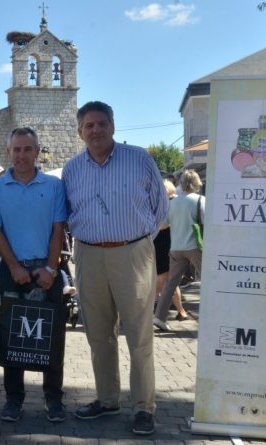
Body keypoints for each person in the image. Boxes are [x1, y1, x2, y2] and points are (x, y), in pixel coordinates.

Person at [63, 101, 167, 435]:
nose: (95, 130)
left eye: (101, 123)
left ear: (113, 125)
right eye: (89, 125)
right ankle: (108, 399)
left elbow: (160, 210)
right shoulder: (72, 169)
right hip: (88, 255)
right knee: (97, 334)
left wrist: (136, 243)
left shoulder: (139, 159)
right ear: (80, 131)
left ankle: (143, 407)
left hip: (131, 252)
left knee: (139, 335)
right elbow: (67, 213)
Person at [0, 127, 68, 423]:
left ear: (37, 151)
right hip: (12, 270)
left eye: (27, 149)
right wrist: (14, 266)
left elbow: (59, 228)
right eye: (16, 150)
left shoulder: (54, 185)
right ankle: (13, 399)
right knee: (12, 336)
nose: (22, 155)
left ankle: (53, 398)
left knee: (53, 335)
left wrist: (51, 268)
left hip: (46, 270)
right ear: (8, 153)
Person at [153, 170, 204, 332]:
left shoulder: (172, 203)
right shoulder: (201, 201)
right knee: (209, 281)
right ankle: (213, 315)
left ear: (182, 183)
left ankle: (159, 317)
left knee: (170, 284)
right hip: (195, 247)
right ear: (197, 183)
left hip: (175, 249)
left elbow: (162, 226)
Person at [153, 179, 190, 322]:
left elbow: (162, 225)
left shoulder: (166, 204)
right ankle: (181, 311)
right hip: (168, 244)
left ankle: (143, 310)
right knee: (167, 280)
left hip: (163, 244)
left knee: (165, 280)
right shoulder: (174, 203)